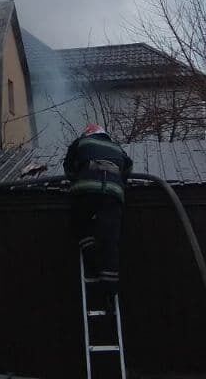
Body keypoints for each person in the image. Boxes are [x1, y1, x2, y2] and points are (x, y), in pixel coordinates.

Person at [63, 123, 132, 310]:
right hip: (113, 194)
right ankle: (110, 291)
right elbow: (128, 169)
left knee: (79, 223)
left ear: (87, 134)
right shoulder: (117, 148)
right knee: (110, 240)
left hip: (86, 190)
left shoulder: (81, 143)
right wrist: (117, 182)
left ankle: (91, 255)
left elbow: (68, 168)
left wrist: (79, 177)